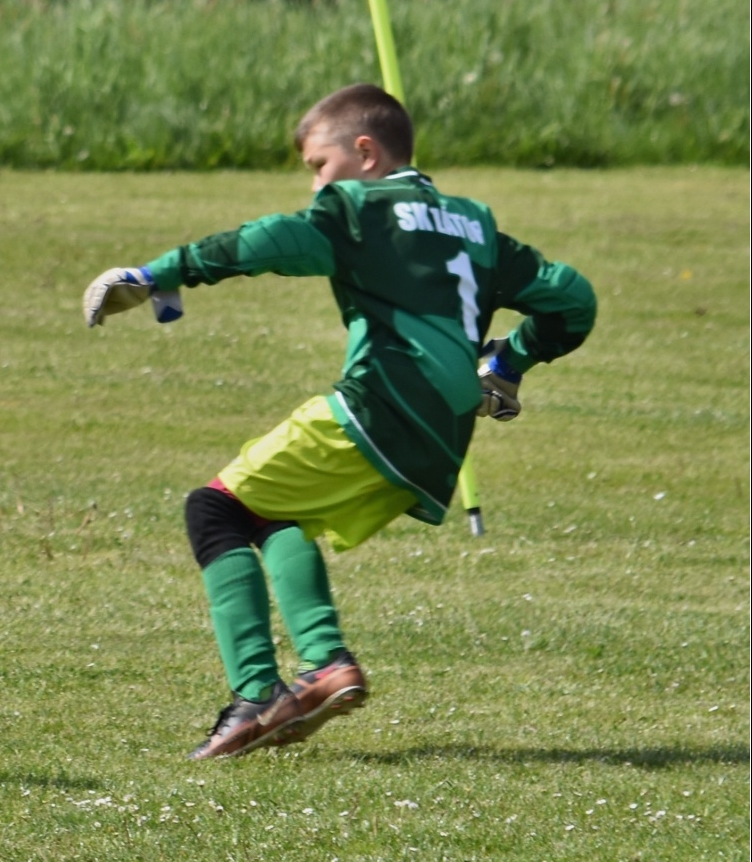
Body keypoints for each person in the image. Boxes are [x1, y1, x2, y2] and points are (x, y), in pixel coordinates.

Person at [82, 83, 596, 760]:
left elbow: (269, 240)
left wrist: (160, 273)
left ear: (365, 152)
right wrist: (510, 362)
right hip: (443, 436)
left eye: (319, 165)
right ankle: (325, 666)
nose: (316, 183)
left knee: (215, 509)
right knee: (277, 515)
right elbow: (573, 299)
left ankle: (259, 693)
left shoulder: (357, 208)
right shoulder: (475, 224)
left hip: (379, 404)